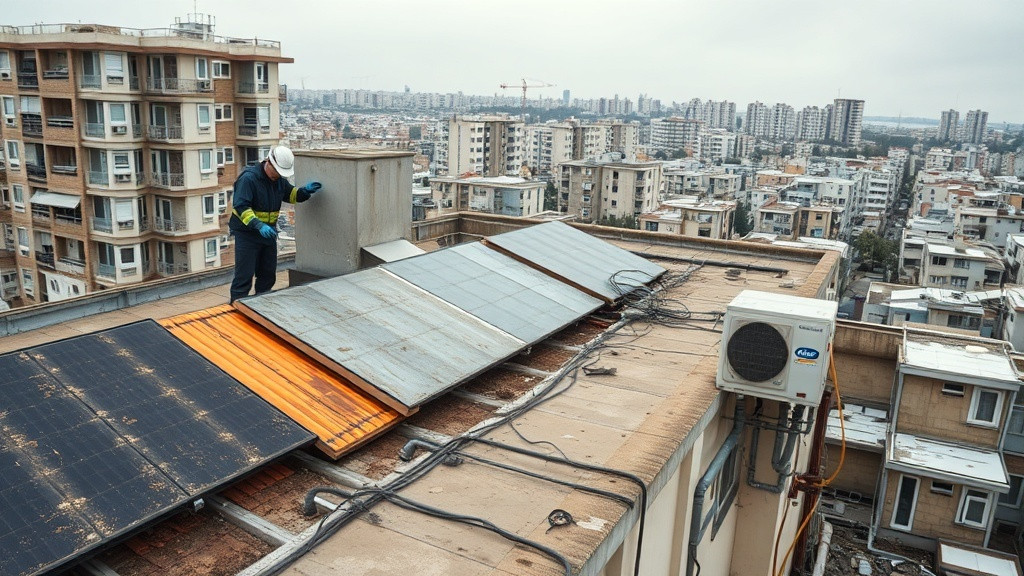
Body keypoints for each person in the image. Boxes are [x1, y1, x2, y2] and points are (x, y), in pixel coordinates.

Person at [229, 145, 322, 303]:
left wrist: (304, 192)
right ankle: (237, 310)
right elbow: (241, 206)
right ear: (268, 162)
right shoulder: (249, 179)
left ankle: (262, 306)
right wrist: (258, 225)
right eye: (277, 171)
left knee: (267, 275)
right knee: (244, 277)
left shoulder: (278, 181)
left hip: (268, 234)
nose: (279, 175)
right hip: (248, 235)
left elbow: (291, 194)